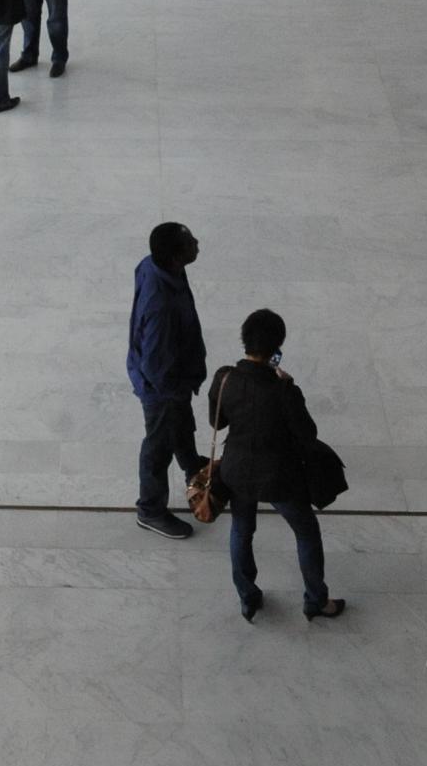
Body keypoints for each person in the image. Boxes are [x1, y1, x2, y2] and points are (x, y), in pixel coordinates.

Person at [208, 309, 344, 622]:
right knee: (306, 532)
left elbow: (219, 421)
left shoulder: (224, 378)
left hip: (236, 471)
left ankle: (247, 596)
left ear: (244, 341)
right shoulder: (284, 391)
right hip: (279, 476)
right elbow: (308, 434)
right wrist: (289, 386)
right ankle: (316, 601)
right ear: (277, 349)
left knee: (241, 529)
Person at [127, 222, 208, 540]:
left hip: (175, 380)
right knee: (158, 447)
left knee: (183, 425)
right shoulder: (160, 305)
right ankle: (150, 510)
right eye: (190, 241)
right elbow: (155, 363)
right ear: (176, 256)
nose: (197, 242)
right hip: (162, 387)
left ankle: (193, 469)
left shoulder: (155, 266)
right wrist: (174, 393)